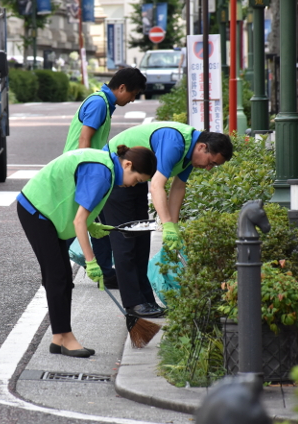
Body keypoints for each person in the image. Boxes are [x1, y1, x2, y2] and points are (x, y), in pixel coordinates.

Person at [17, 145, 157, 358]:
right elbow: (79, 220)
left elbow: (82, 205)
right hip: (37, 210)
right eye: (137, 180)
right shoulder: (102, 173)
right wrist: (92, 262)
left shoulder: (108, 168)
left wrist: (93, 226)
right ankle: (66, 337)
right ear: (127, 165)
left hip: (49, 211)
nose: (133, 185)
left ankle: (58, 338)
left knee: (62, 277)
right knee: (58, 277)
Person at [103, 122, 234, 318]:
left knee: (141, 239)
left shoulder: (190, 154)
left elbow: (178, 187)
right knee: (126, 242)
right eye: (211, 162)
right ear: (202, 147)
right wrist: (167, 224)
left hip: (136, 176)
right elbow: (157, 186)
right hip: (115, 174)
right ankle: (133, 303)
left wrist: (173, 226)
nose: (208, 168)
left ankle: (146, 300)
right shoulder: (176, 143)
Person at [63, 67, 147, 289]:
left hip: (84, 168)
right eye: (133, 94)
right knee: (79, 220)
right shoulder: (99, 103)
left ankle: (103, 273)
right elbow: (84, 140)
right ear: (121, 88)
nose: (132, 99)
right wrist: (87, 176)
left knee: (94, 220)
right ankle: (59, 269)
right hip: (80, 169)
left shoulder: (105, 103)